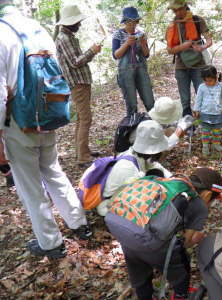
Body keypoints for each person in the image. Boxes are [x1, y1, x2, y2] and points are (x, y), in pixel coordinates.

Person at [0, 0, 92, 259]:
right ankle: (79, 224)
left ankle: (51, 243)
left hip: (18, 122)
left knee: (31, 187)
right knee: (53, 172)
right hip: (47, 113)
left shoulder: (2, 33)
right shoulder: (35, 27)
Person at [105, 167, 222, 300]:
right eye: (212, 200)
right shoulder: (200, 206)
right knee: (182, 264)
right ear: (207, 195)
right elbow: (185, 242)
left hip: (124, 229)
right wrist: (196, 239)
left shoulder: (169, 183)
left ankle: (144, 296)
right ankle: (180, 295)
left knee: (139, 271)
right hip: (153, 245)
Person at [55, 4, 102, 166]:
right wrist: (92, 51)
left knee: (82, 118)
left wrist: (91, 52)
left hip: (81, 82)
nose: (80, 25)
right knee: (86, 119)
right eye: (77, 22)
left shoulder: (68, 37)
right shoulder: (64, 38)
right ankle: (82, 157)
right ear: (70, 23)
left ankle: (83, 152)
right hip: (78, 84)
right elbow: (75, 62)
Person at [95, 120, 173, 216]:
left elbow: (154, 165)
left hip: (123, 192)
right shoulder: (129, 168)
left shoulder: (136, 154)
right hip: (109, 205)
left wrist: (172, 178)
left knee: (157, 173)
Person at [166, 0, 212, 117]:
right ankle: (188, 124)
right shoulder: (172, 26)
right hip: (181, 66)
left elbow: (209, 40)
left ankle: (207, 121)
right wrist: (182, 46)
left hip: (199, 64)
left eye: (179, 9)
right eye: (174, 10)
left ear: (185, 7)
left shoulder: (198, 20)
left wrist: (202, 47)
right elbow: (170, 50)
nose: (177, 12)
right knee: (185, 100)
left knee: (202, 94)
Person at [112, 7, 155, 116]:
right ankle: (132, 127)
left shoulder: (141, 34)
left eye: (135, 21)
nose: (133, 24)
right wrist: (126, 43)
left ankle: (157, 123)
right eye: (130, 22)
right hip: (125, 72)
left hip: (141, 70)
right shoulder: (118, 34)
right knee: (131, 104)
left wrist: (143, 43)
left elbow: (146, 54)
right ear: (125, 22)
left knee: (150, 100)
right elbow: (115, 55)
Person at [193, 66, 222, 156]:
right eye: (206, 80)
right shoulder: (202, 87)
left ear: (215, 77)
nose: (208, 83)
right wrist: (196, 109)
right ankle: (205, 146)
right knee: (206, 131)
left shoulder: (220, 86)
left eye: (210, 80)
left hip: (218, 113)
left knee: (216, 131)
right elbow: (198, 99)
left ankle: (216, 144)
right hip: (205, 114)